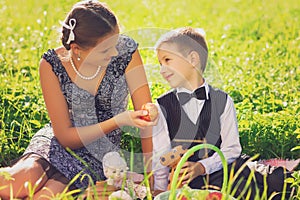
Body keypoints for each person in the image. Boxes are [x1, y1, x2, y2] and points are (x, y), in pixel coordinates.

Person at [0, 1, 154, 199]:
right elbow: (64, 137)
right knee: (16, 182)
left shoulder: (127, 53)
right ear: (77, 49)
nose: (115, 52)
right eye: (105, 50)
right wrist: (118, 121)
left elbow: (146, 118)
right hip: (58, 141)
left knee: (46, 197)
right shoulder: (51, 64)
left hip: (99, 152)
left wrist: (151, 177)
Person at [151, 27, 293, 199]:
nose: (162, 70)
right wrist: (160, 190)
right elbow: (160, 155)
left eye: (167, 60)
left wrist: (203, 167)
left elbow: (232, 149)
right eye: (160, 63)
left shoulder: (222, 100)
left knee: (280, 180)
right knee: (229, 191)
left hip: (221, 168)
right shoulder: (161, 105)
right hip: (188, 179)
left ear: (193, 59)